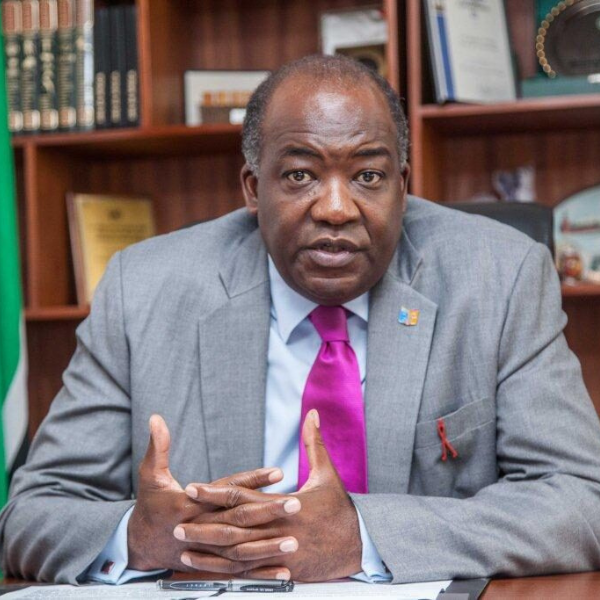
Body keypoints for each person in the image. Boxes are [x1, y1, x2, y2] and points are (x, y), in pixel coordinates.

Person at [2, 54, 600, 585]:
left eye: (368, 176)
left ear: (401, 186)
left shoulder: (500, 277)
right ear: (252, 188)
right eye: (300, 175)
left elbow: (581, 501)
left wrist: (362, 536)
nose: (336, 209)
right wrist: (141, 535)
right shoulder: (143, 289)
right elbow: (32, 512)